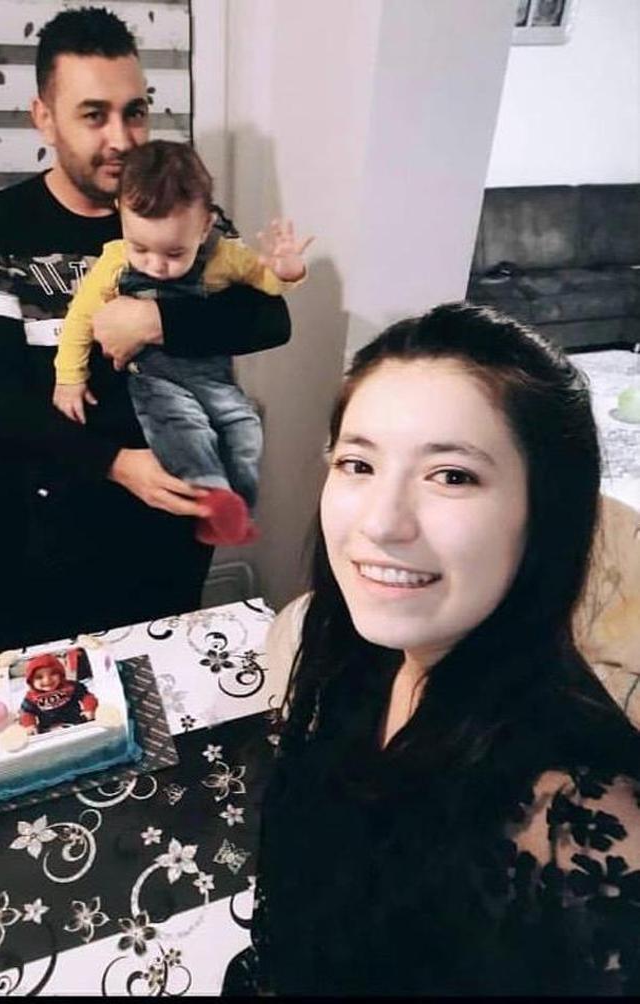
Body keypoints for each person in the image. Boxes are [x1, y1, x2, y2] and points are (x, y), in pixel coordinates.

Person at [225, 303, 640, 996]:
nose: (381, 523)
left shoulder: (581, 826)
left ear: (547, 514)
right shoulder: (354, 649)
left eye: (451, 475)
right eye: (357, 463)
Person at [0, 7, 291, 647]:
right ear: (44, 117)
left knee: (169, 667)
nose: (123, 139)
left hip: (178, 510)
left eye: (135, 112)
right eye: (94, 115)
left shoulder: (179, 206)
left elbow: (269, 317)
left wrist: (154, 318)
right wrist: (117, 465)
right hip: (57, 514)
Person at [53, 139, 310, 547]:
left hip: (212, 376)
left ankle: (236, 509)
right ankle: (211, 495)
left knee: (244, 426)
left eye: (174, 253)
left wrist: (286, 270)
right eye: (141, 248)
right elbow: (79, 320)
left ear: (205, 226)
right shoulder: (114, 261)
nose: (156, 265)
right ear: (121, 214)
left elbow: (268, 294)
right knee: (183, 427)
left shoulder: (225, 255)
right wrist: (69, 378)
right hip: (155, 379)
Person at [19, 653, 97, 733]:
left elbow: (87, 696)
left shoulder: (71, 687)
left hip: (76, 722)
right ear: (31, 681)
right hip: (48, 729)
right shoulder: (31, 697)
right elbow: (26, 712)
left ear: (61, 674)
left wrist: (89, 709)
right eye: (39, 677)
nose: (47, 680)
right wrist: (30, 725)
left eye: (53, 674)